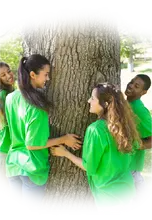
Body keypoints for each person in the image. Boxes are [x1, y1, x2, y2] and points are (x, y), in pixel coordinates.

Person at [51, 82, 142, 218]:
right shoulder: (124, 126)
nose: (89, 100)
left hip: (109, 198)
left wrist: (65, 153)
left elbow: (90, 167)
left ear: (105, 104)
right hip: (125, 191)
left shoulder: (96, 130)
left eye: (92, 98)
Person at [4, 54, 82, 211]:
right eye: (46, 74)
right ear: (33, 74)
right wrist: (64, 139)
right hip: (31, 169)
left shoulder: (11, 98)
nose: (48, 79)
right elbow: (33, 144)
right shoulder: (36, 107)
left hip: (13, 165)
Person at [125, 74, 152, 208]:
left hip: (131, 168)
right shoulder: (125, 104)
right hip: (122, 166)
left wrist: (135, 145)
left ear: (143, 92)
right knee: (128, 202)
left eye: (136, 86)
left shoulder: (140, 110)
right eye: (131, 82)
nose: (130, 86)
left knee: (146, 205)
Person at [0, 62, 14, 193]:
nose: (8, 76)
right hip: (5, 148)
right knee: (6, 193)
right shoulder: (4, 95)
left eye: (8, 71)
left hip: (9, 149)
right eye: (3, 75)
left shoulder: (10, 93)